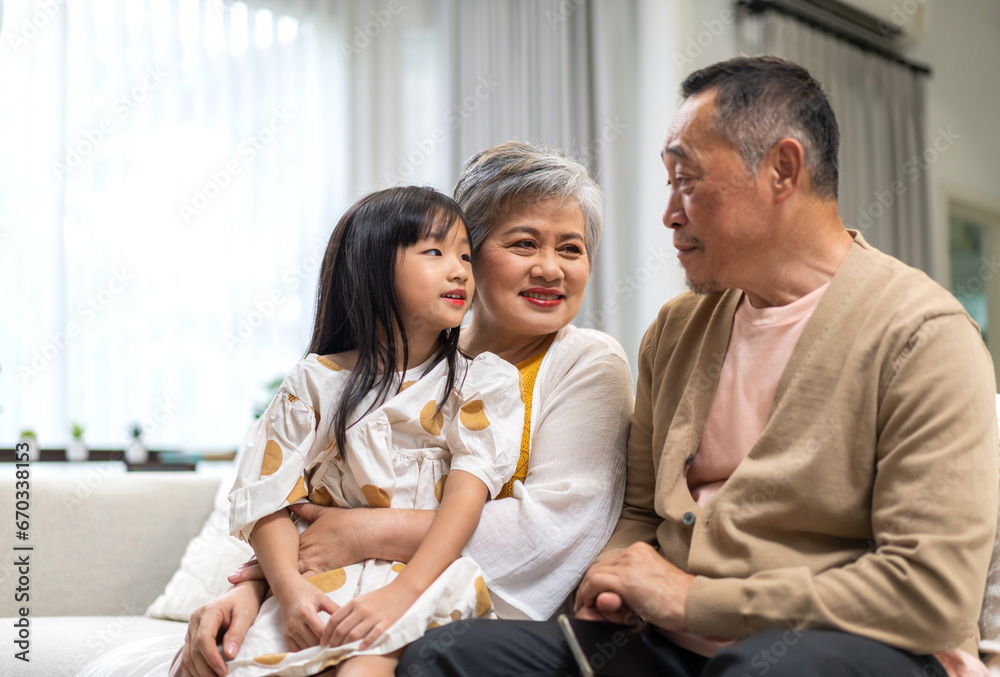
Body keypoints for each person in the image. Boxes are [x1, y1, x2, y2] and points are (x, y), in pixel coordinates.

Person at [396, 56, 999, 677]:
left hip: (841, 651)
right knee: (447, 656)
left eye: (687, 180)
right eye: (669, 184)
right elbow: (637, 514)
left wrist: (694, 599)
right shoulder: (679, 329)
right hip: (669, 645)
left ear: (782, 170)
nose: (670, 214)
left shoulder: (924, 337)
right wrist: (613, 570)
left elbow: (930, 592)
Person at [76, 141, 632, 677]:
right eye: (524, 244)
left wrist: (363, 533)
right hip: (345, 590)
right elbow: (309, 497)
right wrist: (256, 589)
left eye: (571, 248)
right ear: (474, 253)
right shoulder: (395, 364)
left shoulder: (585, 361)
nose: (551, 269)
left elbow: (549, 535)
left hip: (473, 619)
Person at [219, 185, 526, 677]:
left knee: (365, 667)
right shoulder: (316, 382)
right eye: (435, 251)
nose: (460, 269)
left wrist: (404, 594)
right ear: (371, 267)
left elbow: (468, 500)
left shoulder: (482, 382)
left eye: (466, 255)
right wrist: (292, 590)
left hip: (424, 578)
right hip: (319, 580)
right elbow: (267, 497)